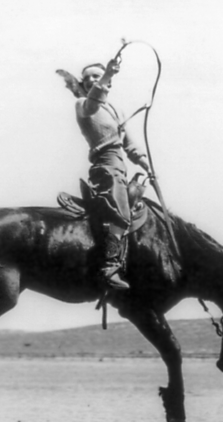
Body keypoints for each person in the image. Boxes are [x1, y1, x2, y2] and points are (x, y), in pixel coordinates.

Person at [71, 59, 151, 290]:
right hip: (105, 164)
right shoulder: (83, 104)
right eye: (88, 79)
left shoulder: (116, 110)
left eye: (96, 76)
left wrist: (146, 164)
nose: (92, 81)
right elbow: (93, 102)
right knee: (120, 211)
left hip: (120, 162)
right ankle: (109, 266)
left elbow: (128, 143)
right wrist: (106, 74)